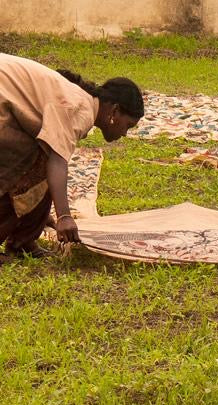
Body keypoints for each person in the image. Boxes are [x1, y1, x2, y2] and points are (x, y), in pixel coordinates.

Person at [0, 53, 144, 257]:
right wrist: (64, 216)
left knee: (39, 156)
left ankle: (24, 240)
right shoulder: (80, 108)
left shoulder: (80, 100)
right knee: (32, 167)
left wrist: (39, 213)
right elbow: (56, 161)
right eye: (127, 125)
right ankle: (22, 240)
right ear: (114, 111)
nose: (124, 133)